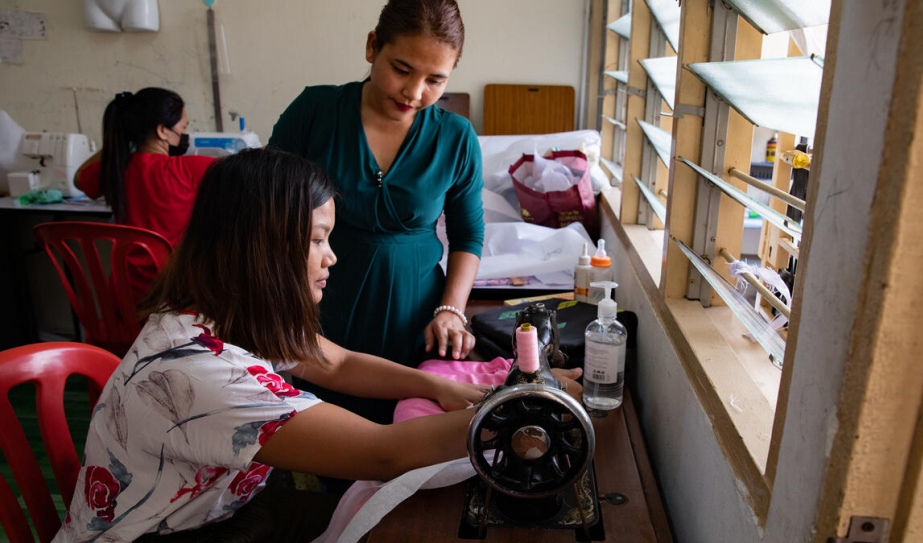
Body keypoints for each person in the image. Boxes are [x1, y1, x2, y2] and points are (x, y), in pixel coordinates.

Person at [53, 148, 583, 543]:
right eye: (315, 240)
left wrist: (438, 387)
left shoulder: (227, 313)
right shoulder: (200, 374)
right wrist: (529, 405)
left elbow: (337, 362)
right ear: (260, 249)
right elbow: (383, 453)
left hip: (223, 508)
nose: (330, 258)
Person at [268, 0, 484, 424]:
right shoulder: (315, 113)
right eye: (402, 69)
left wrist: (451, 311)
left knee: (402, 429)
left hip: (415, 315)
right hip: (319, 305)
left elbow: (467, 234)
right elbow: (266, 208)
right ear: (372, 47)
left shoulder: (456, 138)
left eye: (435, 80)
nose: (414, 92)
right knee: (323, 429)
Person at [74, 87, 215, 300]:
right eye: (183, 127)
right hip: (172, 296)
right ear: (162, 131)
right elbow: (243, 173)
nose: (185, 135)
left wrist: (117, 141)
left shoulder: (117, 169)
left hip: (124, 296)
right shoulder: (187, 169)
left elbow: (79, 178)